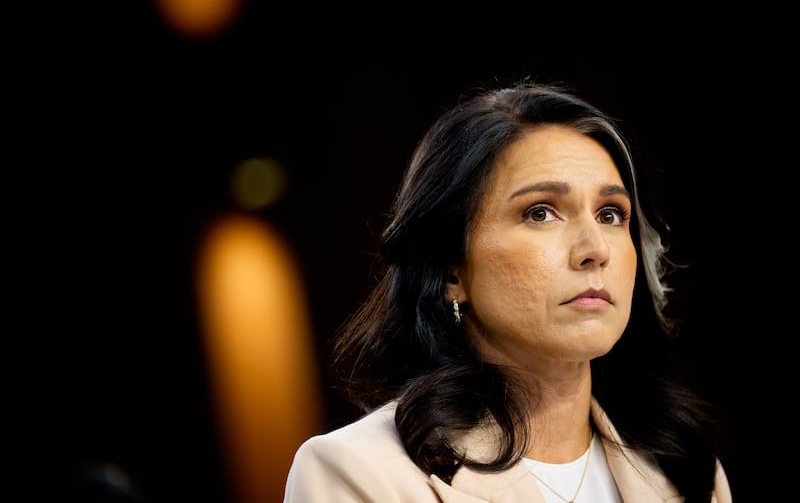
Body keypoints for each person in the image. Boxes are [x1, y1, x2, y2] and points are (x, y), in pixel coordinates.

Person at [283, 81, 733, 502]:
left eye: (612, 214)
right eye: (540, 212)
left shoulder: (686, 471)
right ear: (450, 270)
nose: (595, 249)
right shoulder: (361, 473)